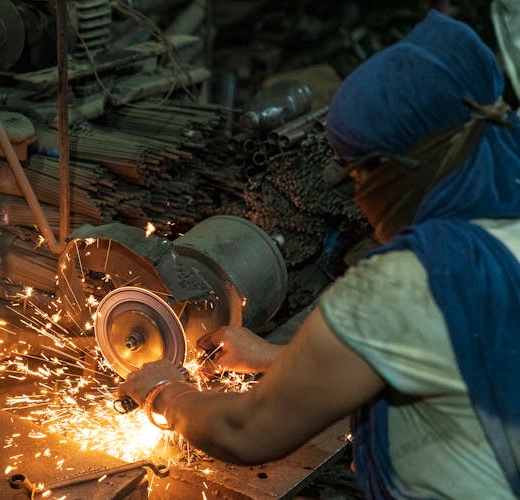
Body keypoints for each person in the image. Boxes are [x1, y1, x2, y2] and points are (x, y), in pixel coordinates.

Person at [118, 10, 520, 499]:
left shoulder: (410, 279)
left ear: (394, 169)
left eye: (358, 175)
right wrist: (276, 359)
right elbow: (446, 351)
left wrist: (166, 393)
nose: (357, 195)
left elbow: (250, 431)